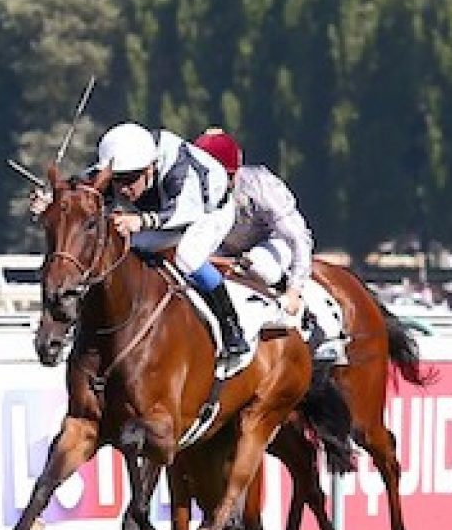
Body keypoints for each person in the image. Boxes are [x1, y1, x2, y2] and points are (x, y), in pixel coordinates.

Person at [94, 120, 249, 367]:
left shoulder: (178, 169)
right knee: (121, 246)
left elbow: (184, 213)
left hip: (208, 213)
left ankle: (231, 329)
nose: (123, 190)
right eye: (117, 180)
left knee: (188, 256)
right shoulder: (131, 155)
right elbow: (84, 188)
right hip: (169, 214)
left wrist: (142, 220)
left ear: (150, 168)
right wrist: (50, 201)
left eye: (130, 180)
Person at [189, 127, 314, 317]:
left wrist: (294, 290)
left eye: (227, 176)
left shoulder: (260, 185)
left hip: (271, 244)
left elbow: (298, 237)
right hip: (225, 249)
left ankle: (302, 308)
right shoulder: (188, 190)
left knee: (259, 266)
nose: (219, 184)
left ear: (238, 169)